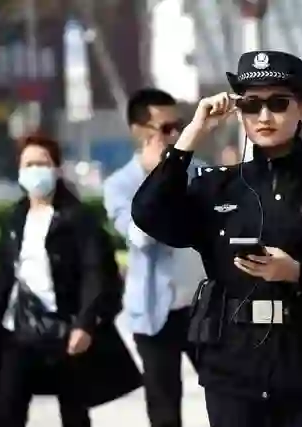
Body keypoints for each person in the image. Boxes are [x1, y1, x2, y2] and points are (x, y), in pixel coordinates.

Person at [131, 50, 302, 427]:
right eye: (251, 105)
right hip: (234, 375)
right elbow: (147, 213)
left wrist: (298, 272)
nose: (264, 116)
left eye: (278, 103)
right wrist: (192, 135)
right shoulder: (217, 186)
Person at [0, 134, 141, 427]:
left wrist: (85, 324)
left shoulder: (78, 218)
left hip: (66, 333)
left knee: (74, 413)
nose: (35, 171)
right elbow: (3, 278)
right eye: (28, 164)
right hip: (18, 332)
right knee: (7, 411)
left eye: (42, 163)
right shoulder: (15, 218)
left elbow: (95, 273)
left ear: (56, 169)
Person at [103, 88, 206, 427]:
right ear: (139, 131)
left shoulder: (199, 172)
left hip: (203, 306)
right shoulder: (120, 185)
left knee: (228, 393)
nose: (175, 135)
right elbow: (139, 237)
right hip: (153, 311)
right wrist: (158, 179)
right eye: (165, 128)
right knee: (164, 407)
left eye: (179, 126)